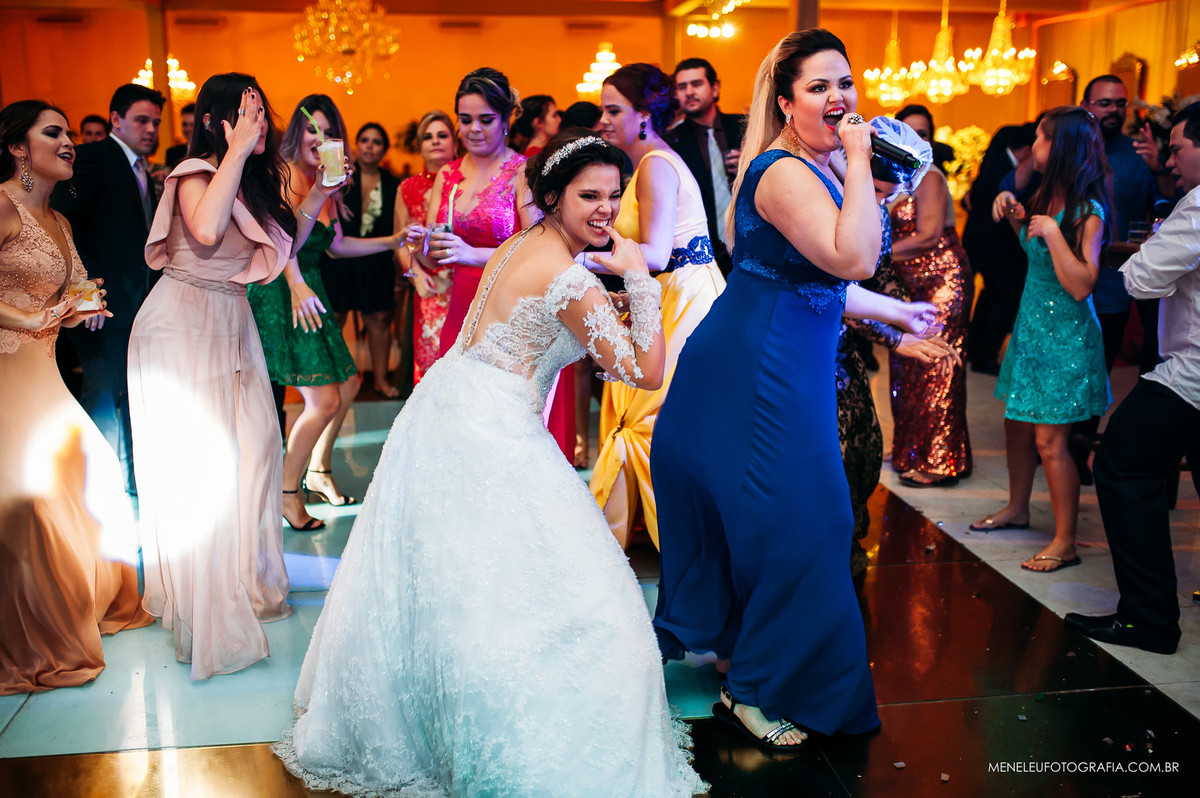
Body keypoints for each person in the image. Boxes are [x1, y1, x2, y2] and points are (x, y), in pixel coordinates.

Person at [275, 132, 706, 796]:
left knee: (466, 591)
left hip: (449, 404)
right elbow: (646, 371)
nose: (605, 209)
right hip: (489, 432)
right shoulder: (566, 274)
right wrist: (641, 278)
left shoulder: (523, 244)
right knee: (580, 598)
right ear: (554, 195)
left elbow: (563, 319)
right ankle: (515, 744)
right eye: (589, 195)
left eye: (614, 197)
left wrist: (610, 297)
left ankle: (453, 725)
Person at [652, 29, 939, 749]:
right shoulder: (784, 172)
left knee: (790, 527)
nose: (839, 99)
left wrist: (896, 311)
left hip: (784, 363)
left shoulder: (817, 165)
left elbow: (815, 282)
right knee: (805, 529)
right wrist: (864, 157)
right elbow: (854, 255)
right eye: (818, 86)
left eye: (845, 83)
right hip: (755, 375)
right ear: (784, 99)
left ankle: (743, 665)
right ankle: (756, 689)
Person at [127, 75, 335, 679]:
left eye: (263, 114)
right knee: (205, 466)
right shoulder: (194, 172)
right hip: (181, 320)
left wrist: (318, 194)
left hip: (232, 319)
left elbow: (277, 250)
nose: (263, 123)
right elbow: (209, 232)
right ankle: (205, 605)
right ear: (223, 118)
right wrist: (239, 149)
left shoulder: (253, 179)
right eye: (251, 113)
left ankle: (252, 584)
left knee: (261, 448)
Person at [0, 99, 152, 695]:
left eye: (68, 133)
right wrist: (33, 313)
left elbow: (72, 298)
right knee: (32, 502)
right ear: (18, 147)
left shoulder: (61, 222)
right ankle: (34, 631)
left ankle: (75, 607)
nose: (68, 142)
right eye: (53, 133)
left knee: (93, 475)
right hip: (9, 371)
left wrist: (81, 312)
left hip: (43, 369)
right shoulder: (3, 205)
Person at [1066, 103, 1200, 656]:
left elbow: (1141, 280)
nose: (1170, 160)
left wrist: (1158, 253)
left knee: (1120, 464)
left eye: (1178, 148)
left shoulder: (1197, 208)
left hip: (1190, 373)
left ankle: (1148, 619)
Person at [248, 95, 401, 530]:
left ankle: (318, 471)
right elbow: (279, 237)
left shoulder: (324, 180)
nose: (321, 138)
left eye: (330, 132)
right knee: (325, 399)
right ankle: (288, 492)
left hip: (309, 286)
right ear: (296, 132)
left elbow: (332, 245)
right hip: (283, 288)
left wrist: (393, 241)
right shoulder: (282, 173)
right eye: (313, 128)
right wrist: (295, 284)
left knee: (350, 383)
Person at [972, 107, 1113, 573]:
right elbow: (1037, 258)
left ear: (1064, 148)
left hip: (1066, 338)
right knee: (1016, 424)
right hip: (1032, 329)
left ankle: (1066, 541)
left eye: (1041, 138)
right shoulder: (1045, 194)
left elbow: (1080, 284)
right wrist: (1016, 217)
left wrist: (1052, 232)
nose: (1033, 145)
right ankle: (1017, 507)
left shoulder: (1087, 212)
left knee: (1051, 441)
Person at [591, 62, 726, 549]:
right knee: (653, 410)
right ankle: (654, 525)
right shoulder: (645, 162)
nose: (602, 120)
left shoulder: (653, 165)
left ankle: (682, 537)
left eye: (613, 110)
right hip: (669, 290)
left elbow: (655, 253)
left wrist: (580, 262)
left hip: (684, 294)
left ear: (645, 115)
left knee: (656, 414)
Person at [51, 83, 164, 498]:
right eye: (141, 120)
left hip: (136, 304)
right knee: (102, 394)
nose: (151, 129)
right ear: (115, 119)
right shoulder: (97, 157)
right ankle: (100, 488)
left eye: (155, 122)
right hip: (101, 304)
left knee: (131, 393)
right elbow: (64, 221)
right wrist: (84, 293)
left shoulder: (139, 168)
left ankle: (132, 480)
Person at [888, 104, 974, 486]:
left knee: (937, 364)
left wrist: (871, 256)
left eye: (923, 133)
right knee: (907, 366)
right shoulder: (896, 179)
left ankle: (940, 459)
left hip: (942, 280)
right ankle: (910, 446)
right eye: (907, 131)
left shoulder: (930, 176)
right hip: (910, 283)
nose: (916, 140)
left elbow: (926, 237)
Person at [321, 122, 402, 398]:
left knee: (378, 320)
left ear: (384, 149)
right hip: (339, 258)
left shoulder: (393, 184)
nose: (369, 145)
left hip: (376, 258)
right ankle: (330, 380)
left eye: (376, 141)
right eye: (364, 140)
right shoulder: (340, 178)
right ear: (356, 145)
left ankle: (380, 379)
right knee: (335, 317)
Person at [963, 123, 1036, 374]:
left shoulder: (992, 162)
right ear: (1027, 148)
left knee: (990, 296)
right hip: (996, 246)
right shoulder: (1005, 171)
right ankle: (984, 355)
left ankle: (975, 349)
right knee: (1004, 299)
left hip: (980, 243)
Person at [666, 57, 745, 277]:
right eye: (682, 87)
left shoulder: (745, 128)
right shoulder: (672, 142)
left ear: (715, 87)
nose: (689, 92)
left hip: (750, 247)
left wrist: (750, 165)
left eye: (696, 84)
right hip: (701, 254)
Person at [397, 110, 456, 385]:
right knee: (431, 361)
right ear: (420, 145)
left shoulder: (465, 184)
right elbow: (399, 241)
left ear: (455, 143)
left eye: (442, 135)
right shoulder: (407, 188)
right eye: (428, 137)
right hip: (428, 285)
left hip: (464, 278)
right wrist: (416, 274)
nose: (435, 141)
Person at [164, 102, 195, 169]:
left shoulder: (210, 152)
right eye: (184, 124)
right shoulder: (172, 153)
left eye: (192, 125)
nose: (187, 129)